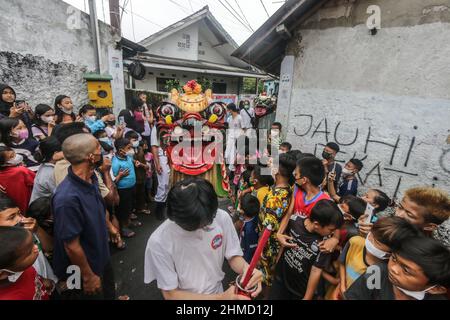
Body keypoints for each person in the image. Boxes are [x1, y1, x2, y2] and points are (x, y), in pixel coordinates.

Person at [144, 178, 263, 299]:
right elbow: (171, 294)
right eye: (203, 225)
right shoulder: (159, 242)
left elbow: (233, 256)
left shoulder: (221, 217)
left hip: (218, 290)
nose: (208, 226)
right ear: (180, 221)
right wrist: (221, 298)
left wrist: (247, 270)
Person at [52, 133, 115, 300]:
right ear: (90, 157)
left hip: (100, 253)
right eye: (98, 149)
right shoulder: (67, 199)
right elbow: (71, 246)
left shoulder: (91, 177)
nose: (101, 152)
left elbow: (98, 208)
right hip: (82, 268)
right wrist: (88, 276)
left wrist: (109, 227)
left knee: (108, 290)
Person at [269, 199, 344, 300]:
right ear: (317, 224)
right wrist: (276, 263)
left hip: (298, 290)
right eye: (331, 230)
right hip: (280, 278)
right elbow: (284, 242)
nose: (332, 233)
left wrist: (307, 297)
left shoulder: (325, 244)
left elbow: (316, 271)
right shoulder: (294, 221)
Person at [338, 216, 421, 299]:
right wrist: (342, 286)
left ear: (392, 252)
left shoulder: (384, 273)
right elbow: (343, 262)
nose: (369, 238)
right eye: (371, 233)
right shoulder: (355, 242)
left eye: (376, 242)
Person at [344, 236, 450, 300]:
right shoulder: (377, 273)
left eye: (406, 270)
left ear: (436, 289)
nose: (393, 268)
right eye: (394, 258)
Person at [258, 153, 296, 296]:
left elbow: (268, 226)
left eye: (272, 162)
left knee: (267, 276)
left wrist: (260, 246)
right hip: (271, 241)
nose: (269, 163)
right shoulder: (285, 187)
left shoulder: (276, 196)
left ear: (278, 170)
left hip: (269, 243)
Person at [0, 193, 57, 284]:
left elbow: (50, 248)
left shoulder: (27, 229)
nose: (21, 219)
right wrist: (40, 281)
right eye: (12, 217)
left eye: (19, 213)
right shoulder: (3, 253)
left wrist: (37, 229)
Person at [358, 187, 450, 240]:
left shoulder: (421, 254)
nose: (398, 214)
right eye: (400, 207)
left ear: (429, 226)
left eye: (409, 215)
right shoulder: (387, 226)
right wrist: (366, 234)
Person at [0, 226, 52, 300]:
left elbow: (30, 274)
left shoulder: (18, 267)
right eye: (29, 252)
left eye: (33, 242)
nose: (36, 247)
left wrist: (43, 280)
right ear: (2, 273)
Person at [112, 138, 138, 238]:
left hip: (132, 186)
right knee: (123, 209)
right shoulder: (115, 163)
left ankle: (128, 222)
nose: (131, 150)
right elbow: (113, 181)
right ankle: (123, 228)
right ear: (121, 151)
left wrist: (135, 162)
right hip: (123, 190)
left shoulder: (128, 157)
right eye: (129, 148)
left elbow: (132, 160)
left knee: (130, 207)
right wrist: (120, 175)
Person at [0, 146, 35, 213]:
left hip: (12, 210)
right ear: (4, 163)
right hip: (28, 206)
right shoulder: (21, 171)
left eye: (14, 153)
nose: (16, 156)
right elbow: (37, 182)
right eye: (11, 157)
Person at [30, 137, 63, 203]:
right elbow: (61, 194)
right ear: (56, 153)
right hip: (42, 209)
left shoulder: (46, 166)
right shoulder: (50, 173)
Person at [125, 131, 151, 215]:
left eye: (137, 139)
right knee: (132, 195)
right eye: (134, 139)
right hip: (132, 175)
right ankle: (132, 211)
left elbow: (143, 160)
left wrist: (144, 166)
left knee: (141, 192)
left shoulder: (140, 148)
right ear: (128, 140)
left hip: (141, 173)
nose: (136, 141)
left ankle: (141, 207)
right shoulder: (126, 151)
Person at [151, 120, 170, 221]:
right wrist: (157, 163)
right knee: (163, 184)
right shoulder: (157, 127)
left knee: (171, 183)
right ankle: (159, 210)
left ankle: (167, 208)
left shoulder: (174, 124)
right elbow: (154, 146)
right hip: (162, 157)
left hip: (173, 156)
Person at [238, 194, 260, 264]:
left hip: (246, 255)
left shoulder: (249, 230)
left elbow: (251, 248)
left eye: (239, 204)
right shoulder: (254, 215)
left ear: (242, 211)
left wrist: (245, 261)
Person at [224, 103, 243, 174]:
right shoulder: (229, 119)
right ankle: (230, 170)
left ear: (231, 110)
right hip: (230, 138)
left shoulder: (240, 118)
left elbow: (243, 128)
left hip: (238, 139)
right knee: (229, 154)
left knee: (235, 154)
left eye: (228, 110)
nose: (227, 111)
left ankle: (233, 171)